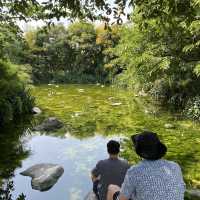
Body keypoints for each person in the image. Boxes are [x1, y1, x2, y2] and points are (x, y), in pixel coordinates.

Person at [107, 131, 186, 200]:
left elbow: (122, 198)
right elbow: (182, 188)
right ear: (159, 149)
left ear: (140, 153)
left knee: (112, 188)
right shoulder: (175, 166)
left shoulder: (134, 171)